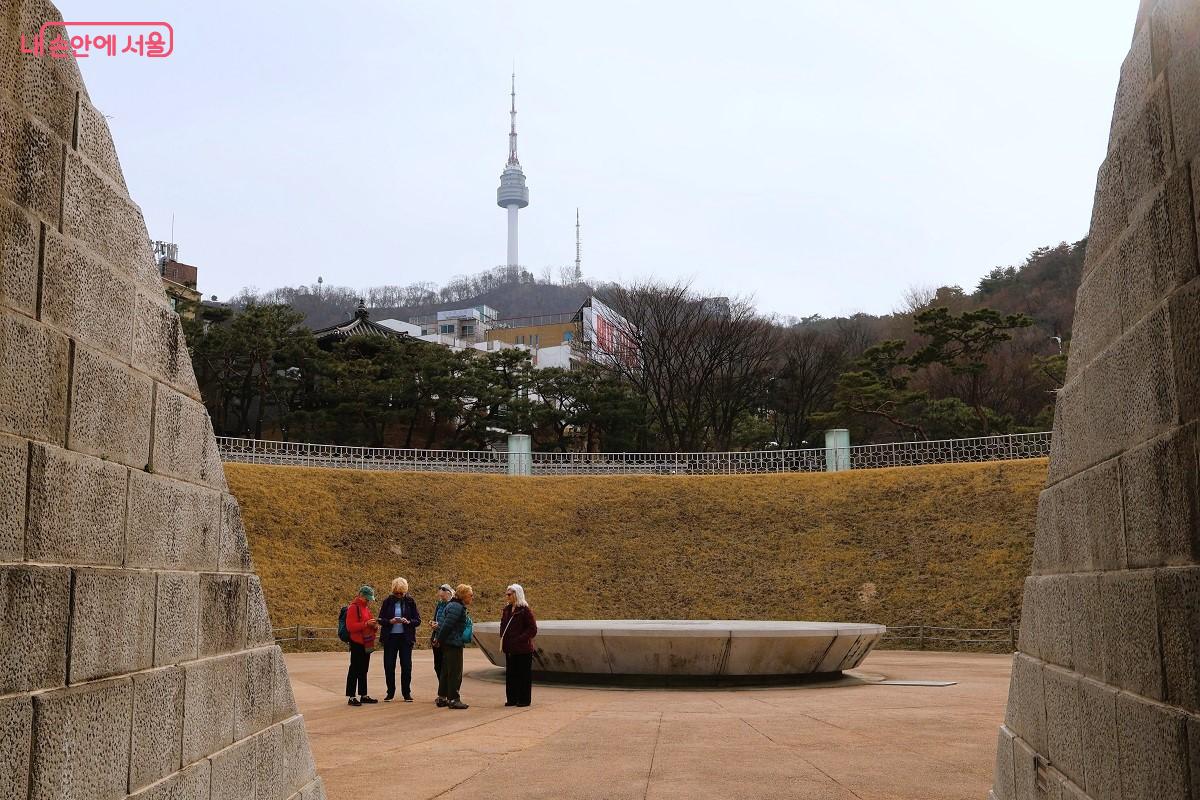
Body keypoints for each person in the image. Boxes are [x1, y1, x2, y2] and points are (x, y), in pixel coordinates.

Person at [378, 577, 421, 702]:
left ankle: (406, 693)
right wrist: (389, 621)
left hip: (405, 638)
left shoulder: (410, 601)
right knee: (389, 666)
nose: (399, 595)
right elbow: (381, 619)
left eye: (401, 593)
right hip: (390, 638)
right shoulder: (387, 602)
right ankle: (390, 692)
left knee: (406, 666)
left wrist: (408, 621)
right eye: (396, 593)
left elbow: (418, 620)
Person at [432, 583, 473, 709]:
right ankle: (454, 699)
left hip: (448, 642)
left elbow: (444, 624)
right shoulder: (457, 607)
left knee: (445, 671)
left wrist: (440, 640)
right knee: (455, 672)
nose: (472, 597)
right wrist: (439, 640)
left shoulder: (452, 605)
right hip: (453, 643)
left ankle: (442, 697)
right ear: (463, 595)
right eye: (470, 595)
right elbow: (447, 626)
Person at [501, 583, 538, 707]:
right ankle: (512, 699)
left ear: (517, 594)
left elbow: (532, 629)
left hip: (523, 649)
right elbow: (503, 625)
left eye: (509, 594)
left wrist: (520, 639)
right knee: (511, 674)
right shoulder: (507, 609)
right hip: (510, 648)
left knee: (523, 675)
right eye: (507, 594)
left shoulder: (525, 610)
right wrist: (503, 637)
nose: (507, 596)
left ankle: (524, 699)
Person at [345, 585, 380, 706]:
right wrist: (366, 624)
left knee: (364, 669)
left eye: (370, 599)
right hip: (357, 642)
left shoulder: (366, 608)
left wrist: (374, 626)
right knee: (354, 669)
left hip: (366, 642)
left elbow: (369, 622)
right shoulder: (353, 608)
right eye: (367, 599)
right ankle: (351, 696)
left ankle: (363, 694)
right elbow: (350, 627)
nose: (369, 601)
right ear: (361, 596)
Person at [430, 583, 453, 684]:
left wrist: (438, 626)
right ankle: (442, 687)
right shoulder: (439, 604)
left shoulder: (452, 606)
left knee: (446, 666)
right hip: (436, 637)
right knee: (437, 666)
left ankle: (446, 688)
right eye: (440, 596)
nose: (441, 598)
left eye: (443, 596)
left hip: (446, 640)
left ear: (448, 594)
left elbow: (450, 623)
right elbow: (435, 618)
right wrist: (432, 623)